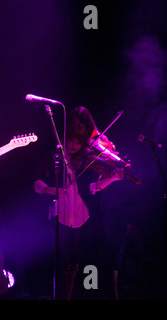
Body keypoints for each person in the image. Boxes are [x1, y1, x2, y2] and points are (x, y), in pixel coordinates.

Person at [33, 106, 123, 299]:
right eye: (71, 141)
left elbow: (93, 187)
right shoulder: (55, 157)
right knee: (59, 265)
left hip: (83, 218)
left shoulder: (86, 160)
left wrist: (114, 178)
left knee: (79, 266)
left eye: (77, 141)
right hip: (60, 218)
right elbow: (37, 183)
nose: (73, 145)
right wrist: (50, 189)